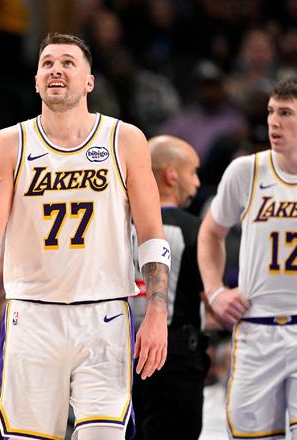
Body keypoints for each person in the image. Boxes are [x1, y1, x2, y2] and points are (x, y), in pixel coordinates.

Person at [0, 33, 170, 440]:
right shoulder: (8, 143)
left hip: (104, 313)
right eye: (48, 63)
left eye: (68, 62)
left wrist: (157, 311)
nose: (56, 69)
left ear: (89, 81)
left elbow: (152, 233)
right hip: (32, 315)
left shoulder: (125, 139)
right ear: (36, 81)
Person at [198, 77, 297, 439]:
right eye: (271, 112)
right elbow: (210, 233)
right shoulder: (246, 171)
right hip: (256, 328)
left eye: (285, 113)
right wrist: (215, 292)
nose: (273, 121)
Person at [130, 135, 208, 440]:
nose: (197, 182)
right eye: (193, 172)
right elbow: (210, 296)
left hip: (118, 349)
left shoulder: (116, 224)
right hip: (175, 355)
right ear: (171, 175)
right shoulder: (194, 229)